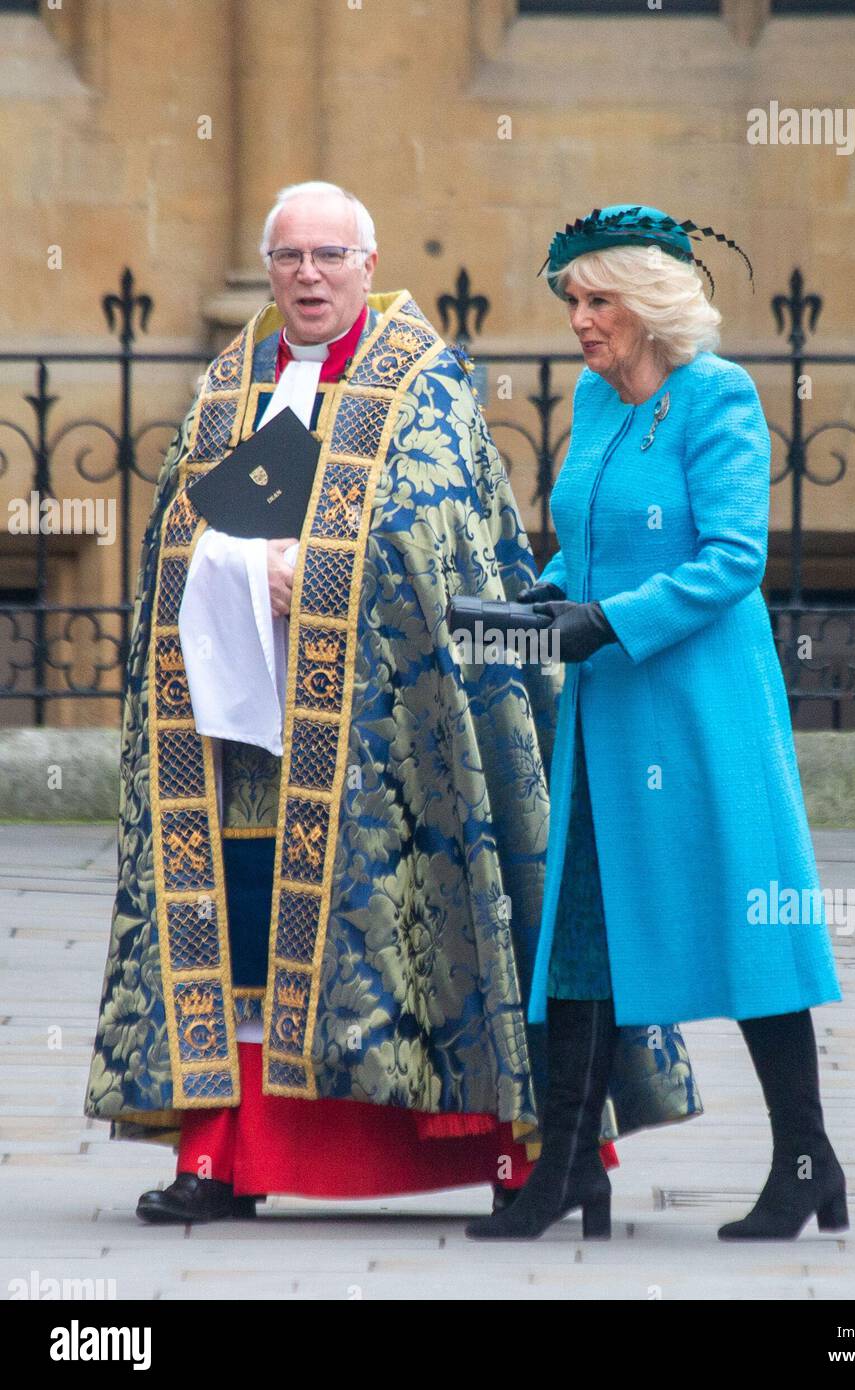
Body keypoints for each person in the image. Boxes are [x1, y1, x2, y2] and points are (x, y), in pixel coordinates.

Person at [84, 184, 701, 1224]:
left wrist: (312, 570)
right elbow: (169, 541)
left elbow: (441, 541)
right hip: (244, 732)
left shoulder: (424, 387)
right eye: (288, 258)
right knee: (239, 924)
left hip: (387, 735)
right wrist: (238, 568)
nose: (308, 276)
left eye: (329, 255)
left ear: (368, 265)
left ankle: (509, 1148)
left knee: (418, 919)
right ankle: (224, 1158)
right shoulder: (225, 390)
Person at [466, 204, 845, 1243]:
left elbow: (732, 560)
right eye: (573, 302)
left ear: (651, 302)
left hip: (699, 711)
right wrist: (542, 599)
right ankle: (562, 1177)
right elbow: (584, 544)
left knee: (746, 930)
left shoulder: (715, 397)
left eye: (598, 301)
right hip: (605, 712)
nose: (579, 322)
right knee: (578, 942)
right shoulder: (595, 401)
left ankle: (805, 1160)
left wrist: (604, 621)